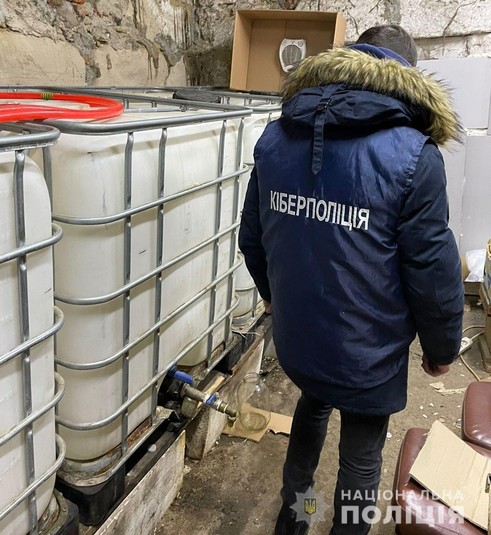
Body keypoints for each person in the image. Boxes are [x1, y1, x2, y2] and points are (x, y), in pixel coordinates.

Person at [238, 24, 464, 535]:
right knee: (361, 456)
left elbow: (253, 234)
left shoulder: (278, 135)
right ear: (408, 75)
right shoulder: (415, 154)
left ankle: (296, 520)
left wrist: (272, 297)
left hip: (300, 335)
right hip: (369, 352)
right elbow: (432, 269)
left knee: (312, 409)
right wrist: (442, 347)